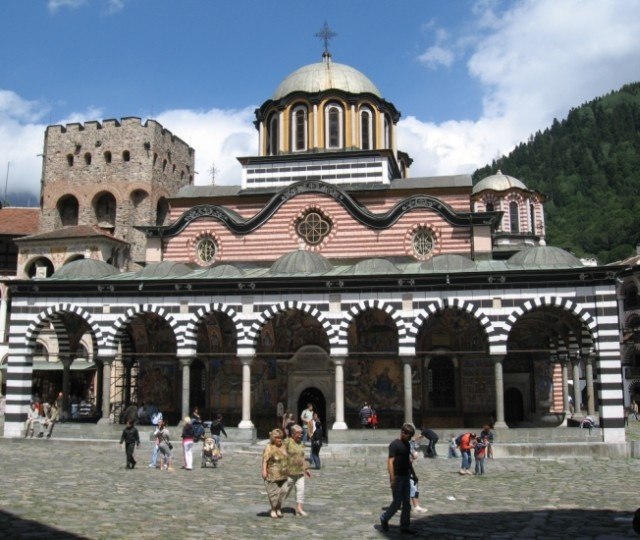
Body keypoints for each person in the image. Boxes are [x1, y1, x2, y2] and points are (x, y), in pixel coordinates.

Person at [379, 423, 418, 535]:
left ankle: (405, 526)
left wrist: (414, 474)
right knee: (397, 503)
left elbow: (408, 461)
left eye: (411, 436)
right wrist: (392, 478)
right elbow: (390, 462)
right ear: (403, 433)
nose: (409, 438)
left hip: (406, 476)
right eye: (408, 435)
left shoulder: (407, 445)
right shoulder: (394, 445)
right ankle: (384, 518)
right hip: (397, 477)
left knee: (407, 503)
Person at [261, 428, 289, 519]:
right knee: (274, 494)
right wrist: (264, 470)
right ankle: (273, 509)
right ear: (273, 438)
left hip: (284, 474)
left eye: (280, 437)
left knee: (283, 492)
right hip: (273, 475)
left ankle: (278, 508)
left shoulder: (284, 446)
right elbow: (265, 460)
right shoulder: (269, 447)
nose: (279, 439)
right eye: (277, 438)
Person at [285, 424, 312, 516]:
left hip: (300, 472)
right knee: (285, 491)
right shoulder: (287, 442)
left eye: (301, 433)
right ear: (292, 434)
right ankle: (276, 506)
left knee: (300, 490)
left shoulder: (301, 443)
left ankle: (299, 508)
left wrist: (306, 469)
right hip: (289, 472)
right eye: (298, 433)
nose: (300, 435)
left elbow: (302, 457)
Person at [409, 436, 427, 513]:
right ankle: (416, 506)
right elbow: (409, 460)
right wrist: (414, 456)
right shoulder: (408, 445)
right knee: (413, 486)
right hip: (406, 470)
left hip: (403, 470)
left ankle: (399, 504)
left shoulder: (406, 443)